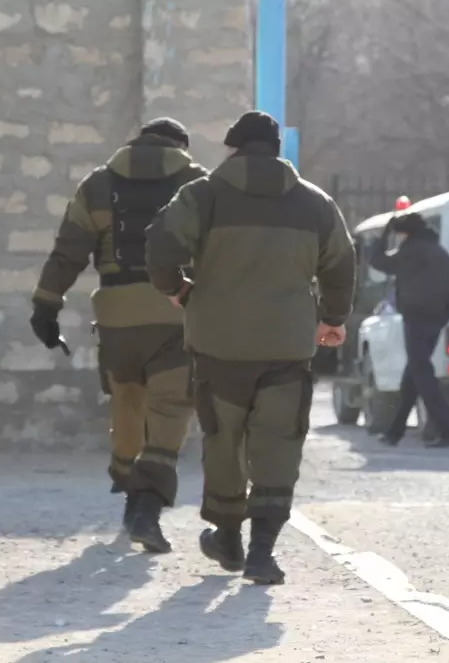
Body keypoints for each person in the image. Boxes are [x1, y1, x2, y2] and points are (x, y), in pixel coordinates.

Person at [145, 110, 356, 584]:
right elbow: (341, 264)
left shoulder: (202, 196)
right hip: (287, 345)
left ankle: (227, 536)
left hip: (218, 344)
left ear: (233, 149)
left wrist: (176, 289)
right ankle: (263, 551)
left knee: (224, 440)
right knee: (279, 441)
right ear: (278, 151)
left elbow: (160, 244)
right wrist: (333, 319)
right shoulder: (315, 203)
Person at [29, 117, 208, 554]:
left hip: (116, 319)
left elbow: (68, 251)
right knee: (169, 410)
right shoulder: (198, 183)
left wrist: (46, 305)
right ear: (180, 147)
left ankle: (129, 484)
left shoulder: (98, 184)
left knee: (127, 402)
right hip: (176, 313)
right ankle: (146, 507)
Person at [369, 212, 449, 447]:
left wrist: (383, 235)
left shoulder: (412, 252)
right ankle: (395, 432)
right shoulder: (442, 255)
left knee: (421, 374)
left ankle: (448, 430)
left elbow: (379, 261)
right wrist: (441, 319)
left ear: (406, 234)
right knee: (412, 376)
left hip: (416, 319)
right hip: (434, 319)